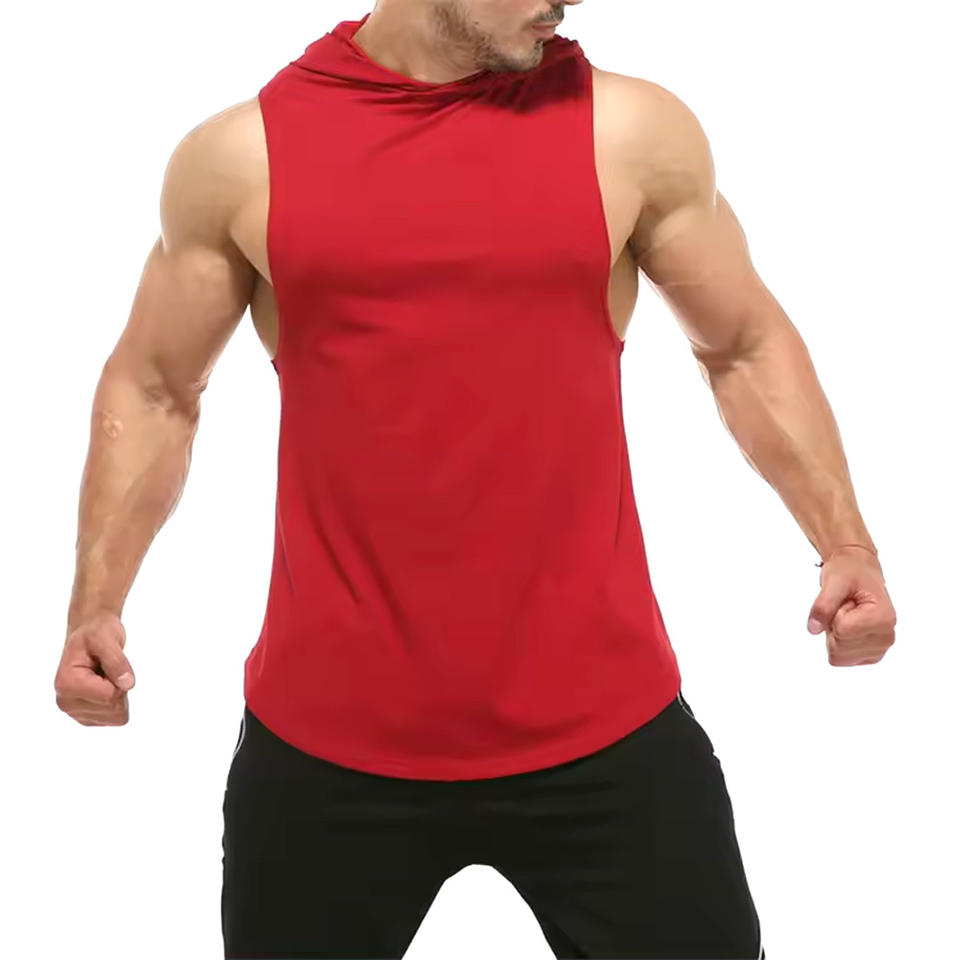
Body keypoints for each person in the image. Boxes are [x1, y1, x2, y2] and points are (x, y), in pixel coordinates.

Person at [54, 2, 897, 957]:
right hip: (327, 745)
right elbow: (156, 388)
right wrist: (95, 607)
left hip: (607, 731)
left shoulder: (627, 132)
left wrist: (845, 542)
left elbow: (743, 346)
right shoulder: (245, 157)